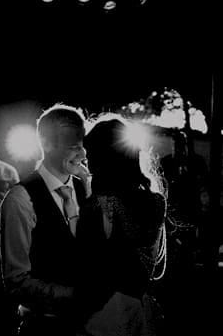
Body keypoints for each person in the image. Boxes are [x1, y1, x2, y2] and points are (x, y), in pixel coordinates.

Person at [0, 104, 93, 336]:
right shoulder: (20, 199)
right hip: (45, 327)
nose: (83, 155)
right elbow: (17, 282)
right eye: (73, 147)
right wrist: (77, 295)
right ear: (47, 144)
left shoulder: (87, 189)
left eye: (83, 146)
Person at [76, 115, 167, 336]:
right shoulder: (156, 201)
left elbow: (85, 268)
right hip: (143, 310)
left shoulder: (99, 207)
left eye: (90, 156)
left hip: (104, 316)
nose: (86, 163)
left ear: (103, 159)